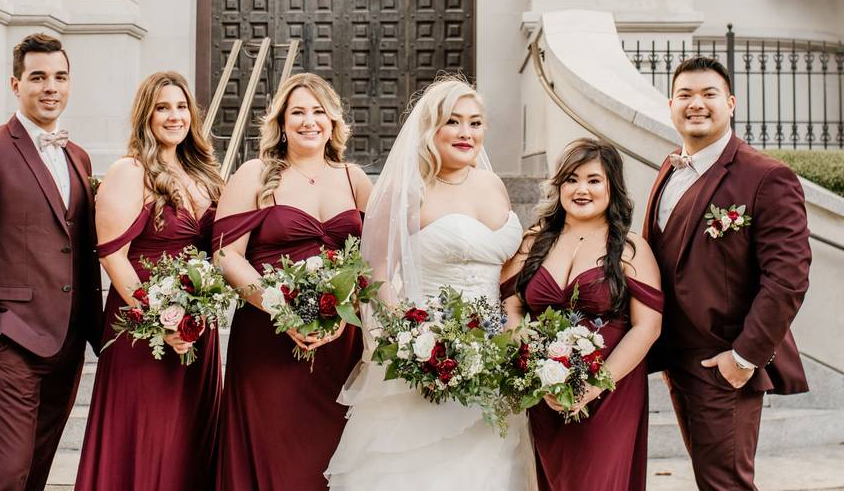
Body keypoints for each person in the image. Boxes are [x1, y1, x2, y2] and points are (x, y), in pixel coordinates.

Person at [326, 77, 537, 490]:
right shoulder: (408, 190)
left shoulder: (492, 184)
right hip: (426, 355)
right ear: (431, 129)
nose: (466, 133)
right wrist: (408, 337)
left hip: (492, 356)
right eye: (453, 122)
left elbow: (502, 265)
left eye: (475, 123)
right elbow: (378, 272)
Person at [0, 33, 103, 491]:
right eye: (38, 77)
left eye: (60, 77)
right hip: (11, 339)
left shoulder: (78, 156)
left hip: (67, 341)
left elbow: (81, 249)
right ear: (15, 84)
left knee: (38, 469)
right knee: (8, 474)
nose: (51, 87)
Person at [643, 56, 810, 490]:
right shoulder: (669, 169)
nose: (696, 104)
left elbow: (788, 278)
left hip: (725, 363)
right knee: (711, 481)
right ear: (670, 105)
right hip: (676, 359)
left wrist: (743, 360)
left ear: (731, 103)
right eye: (685, 95)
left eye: (708, 94)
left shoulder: (767, 177)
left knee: (727, 485)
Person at [213, 73, 372, 490]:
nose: (309, 121)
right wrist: (282, 307)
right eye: (297, 112)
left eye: (319, 111)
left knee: (331, 459)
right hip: (268, 339)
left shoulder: (355, 178)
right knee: (274, 459)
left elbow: (378, 259)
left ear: (334, 121)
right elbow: (228, 254)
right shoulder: (255, 173)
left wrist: (346, 306)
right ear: (281, 123)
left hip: (341, 343)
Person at [75, 71, 225, 490]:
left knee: (187, 439)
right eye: (163, 107)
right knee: (145, 436)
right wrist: (164, 319)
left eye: (181, 107)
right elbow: (113, 256)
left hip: (197, 329)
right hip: (143, 328)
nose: (174, 116)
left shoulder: (206, 174)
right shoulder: (130, 170)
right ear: (146, 115)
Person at [500, 138, 663, 490]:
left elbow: (647, 327)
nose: (581, 189)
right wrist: (533, 371)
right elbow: (511, 307)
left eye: (593, 180)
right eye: (571, 179)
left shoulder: (631, 248)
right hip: (544, 395)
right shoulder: (533, 243)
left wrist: (593, 385)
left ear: (612, 187)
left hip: (610, 393)